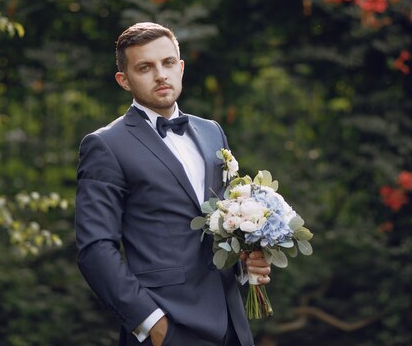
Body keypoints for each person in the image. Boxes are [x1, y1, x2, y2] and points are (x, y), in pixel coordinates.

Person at [75, 22, 271, 346]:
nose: (161, 75)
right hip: (168, 326)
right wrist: (151, 323)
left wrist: (248, 262)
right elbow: (95, 248)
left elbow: (226, 223)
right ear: (124, 80)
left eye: (167, 63)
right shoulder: (106, 145)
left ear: (180, 67)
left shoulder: (212, 132)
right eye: (145, 67)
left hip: (232, 323)